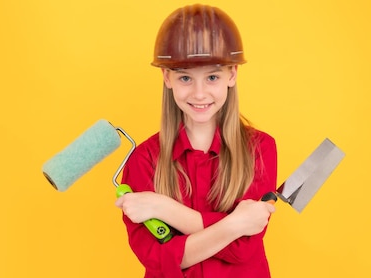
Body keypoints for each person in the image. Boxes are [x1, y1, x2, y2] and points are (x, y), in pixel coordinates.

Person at [114, 4, 277, 278]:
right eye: (185, 78)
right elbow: (162, 260)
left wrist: (162, 207)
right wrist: (235, 224)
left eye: (212, 77)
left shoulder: (259, 149)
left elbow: (243, 250)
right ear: (167, 78)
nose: (199, 94)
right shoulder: (144, 159)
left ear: (232, 75)